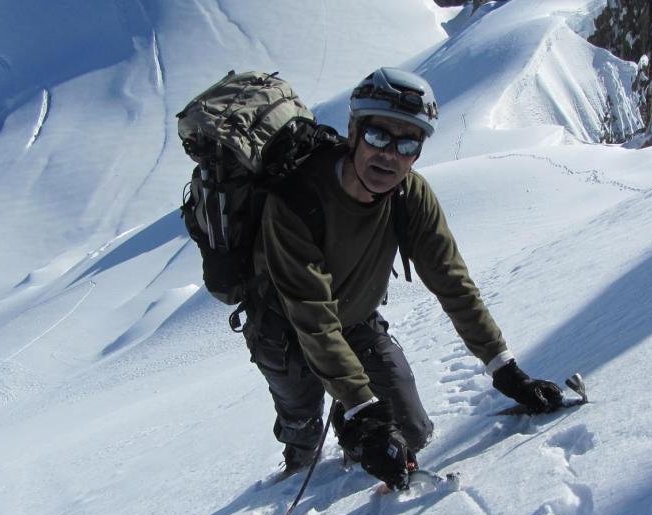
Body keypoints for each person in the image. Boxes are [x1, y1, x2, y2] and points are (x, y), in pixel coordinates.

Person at [243, 67, 567, 490]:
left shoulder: (410, 196)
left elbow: (453, 283)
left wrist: (504, 368)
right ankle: (299, 461)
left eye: (407, 142)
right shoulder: (297, 200)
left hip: (356, 322)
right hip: (284, 335)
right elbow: (313, 320)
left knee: (409, 433)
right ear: (354, 130)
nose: (390, 155)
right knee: (303, 437)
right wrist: (363, 407)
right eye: (379, 136)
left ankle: (351, 419)